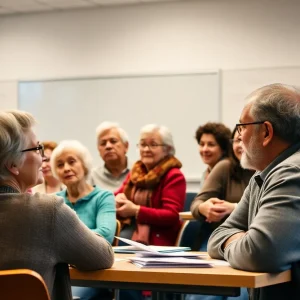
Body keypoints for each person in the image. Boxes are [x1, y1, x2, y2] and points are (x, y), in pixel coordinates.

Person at [0, 110, 114, 300]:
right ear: (13, 164)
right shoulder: (48, 211)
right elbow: (102, 257)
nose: (42, 159)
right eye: (36, 149)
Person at [208, 83, 300, 300]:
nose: (239, 137)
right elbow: (218, 236)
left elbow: (258, 253)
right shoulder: (264, 174)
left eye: (242, 127)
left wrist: (234, 240)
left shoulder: (290, 173)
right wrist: (239, 239)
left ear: (266, 132)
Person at [186, 127, 254, 300]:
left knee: (241, 295)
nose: (240, 145)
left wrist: (234, 207)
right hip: (218, 239)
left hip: (253, 242)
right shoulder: (225, 167)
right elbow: (197, 203)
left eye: (244, 139)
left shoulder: (269, 170)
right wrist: (204, 208)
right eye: (236, 141)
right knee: (201, 295)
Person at [51, 140, 117, 300]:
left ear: (85, 164)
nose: (66, 168)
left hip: (92, 274)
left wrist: (63, 241)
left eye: (72, 161)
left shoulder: (104, 197)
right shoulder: (53, 201)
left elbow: (105, 235)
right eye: (60, 165)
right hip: (58, 274)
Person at [115, 124, 186, 246]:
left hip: (158, 239)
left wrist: (136, 211)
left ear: (167, 149)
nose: (146, 149)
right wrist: (116, 199)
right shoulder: (136, 172)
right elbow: (117, 195)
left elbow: (171, 215)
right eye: (143, 145)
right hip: (129, 231)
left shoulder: (174, 175)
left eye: (153, 145)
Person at [90, 121, 130, 191]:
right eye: (103, 143)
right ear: (98, 150)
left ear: (126, 146)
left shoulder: (141, 171)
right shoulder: (91, 177)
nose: (108, 146)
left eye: (113, 141)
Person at [195, 122, 231, 189]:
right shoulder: (205, 174)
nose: (204, 149)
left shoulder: (230, 174)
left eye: (211, 144)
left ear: (223, 149)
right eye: (202, 144)